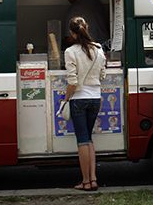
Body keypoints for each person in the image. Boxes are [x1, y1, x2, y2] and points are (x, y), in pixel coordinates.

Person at [62, 16, 106, 191]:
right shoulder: (98, 49)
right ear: (86, 29)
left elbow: (72, 81)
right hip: (95, 98)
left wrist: (65, 100)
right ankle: (93, 179)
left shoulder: (70, 51)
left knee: (82, 140)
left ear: (72, 33)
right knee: (89, 138)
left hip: (79, 99)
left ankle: (86, 182)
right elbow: (102, 75)